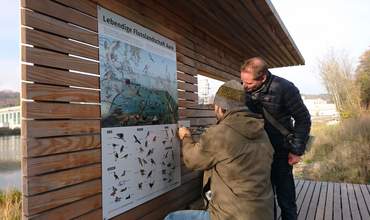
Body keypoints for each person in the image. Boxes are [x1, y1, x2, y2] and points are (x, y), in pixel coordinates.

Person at [164, 80, 274, 220]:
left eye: (214, 106)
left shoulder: (220, 133)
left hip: (231, 216)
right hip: (263, 213)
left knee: (172, 218)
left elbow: (192, 160)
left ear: (220, 107)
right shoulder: (261, 131)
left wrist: (185, 137)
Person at [240, 57, 311, 220]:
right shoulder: (242, 88)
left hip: (281, 151)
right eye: (242, 81)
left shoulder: (286, 88)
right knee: (263, 198)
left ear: (263, 77)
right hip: (256, 153)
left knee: (285, 197)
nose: (244, 87)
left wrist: (296, 150)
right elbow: (223, 101)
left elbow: (303, 119)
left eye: (249, 83)